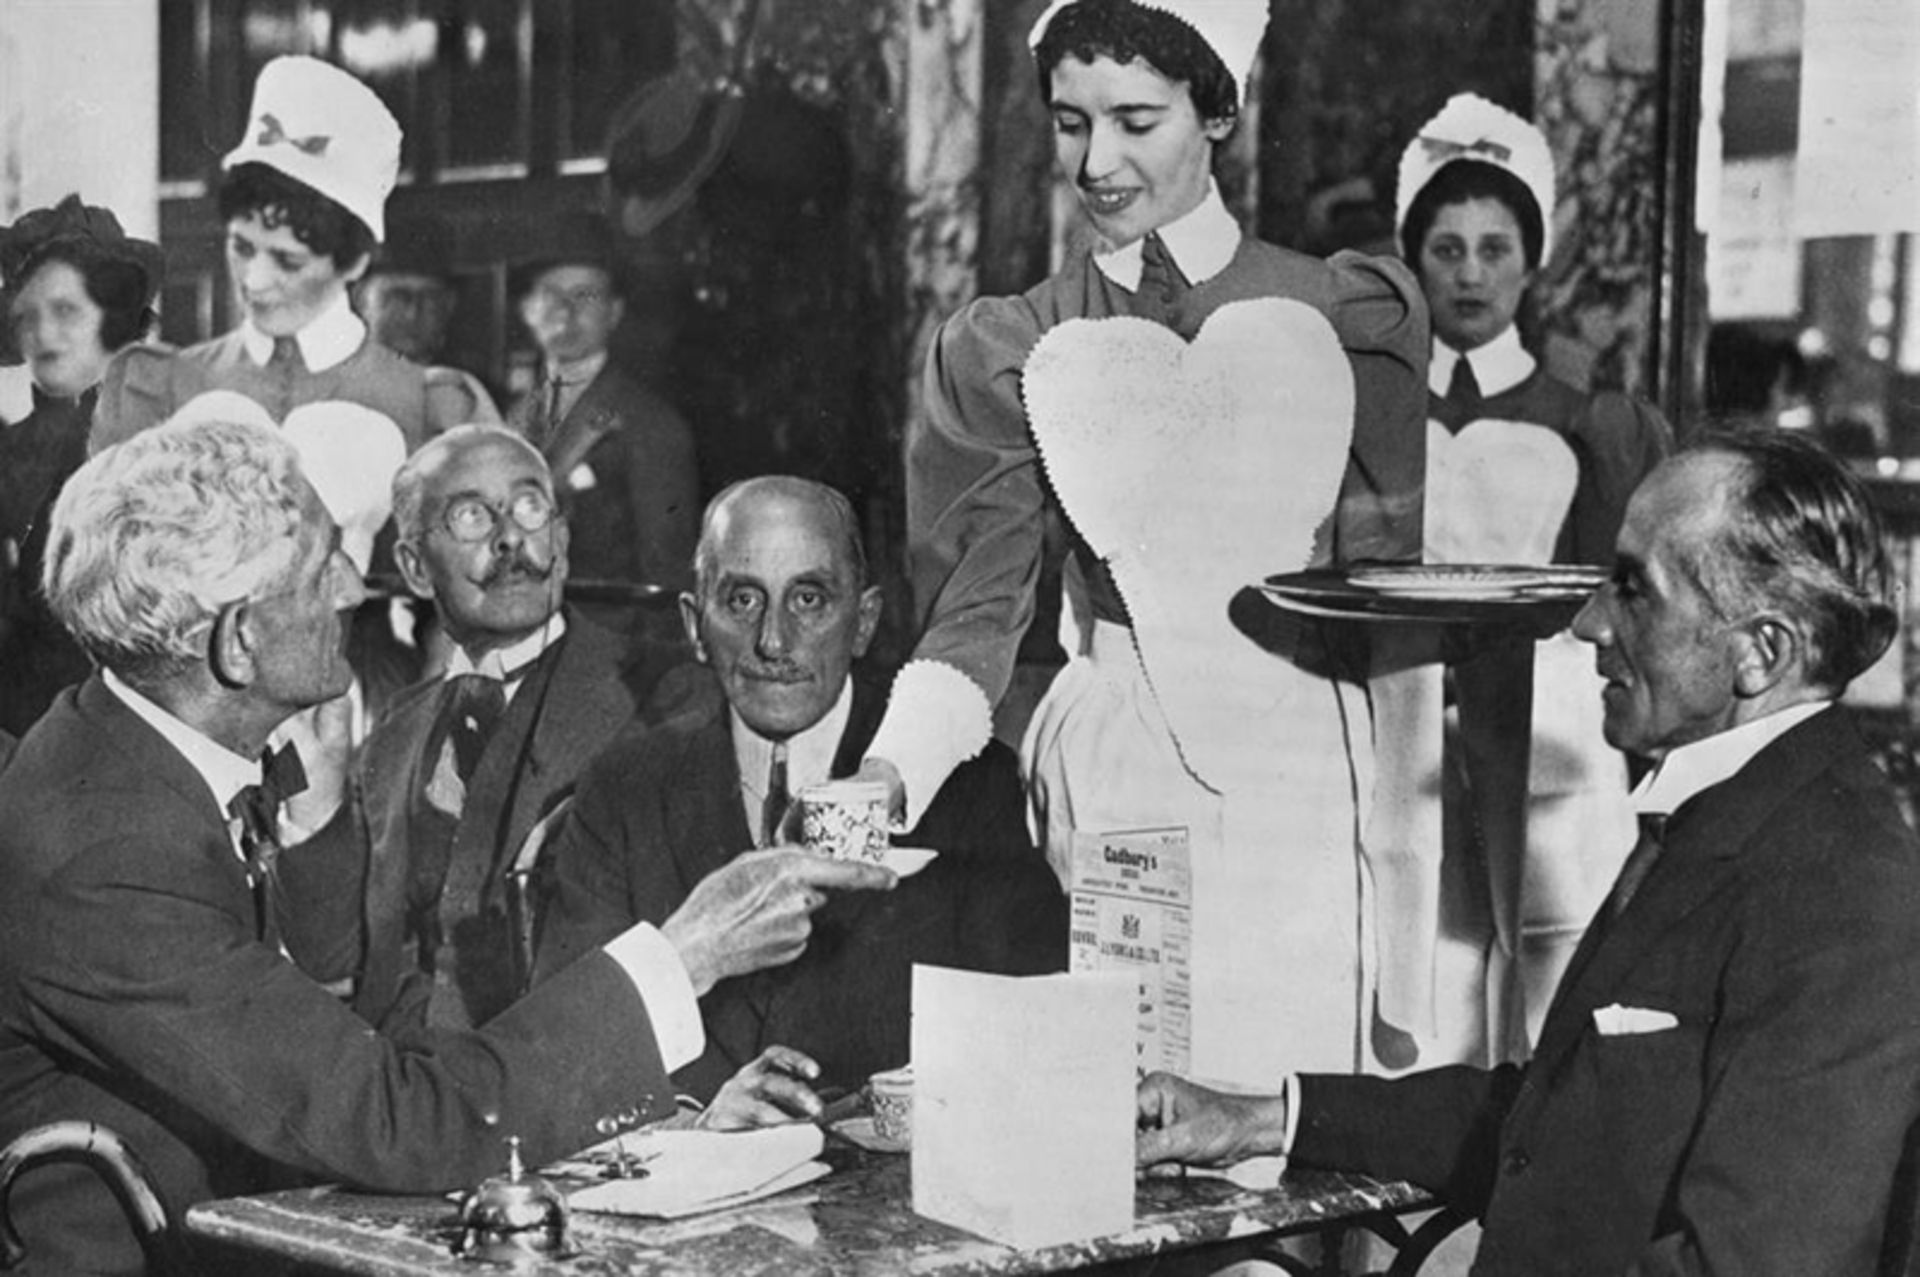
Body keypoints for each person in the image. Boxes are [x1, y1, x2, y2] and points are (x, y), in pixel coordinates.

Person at [0, 414, 895, 1274]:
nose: (353, 592)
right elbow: (393, 1115)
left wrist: (668, 1124)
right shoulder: (107, 852)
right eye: (321, 571)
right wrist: (684, 954)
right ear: (238, 642)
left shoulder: (127, 760)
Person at [1136, 430, 1920, 1276]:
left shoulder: (1846, 890)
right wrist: (1256, 1117)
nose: (1588, 624)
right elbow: (1556, 1115)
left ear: (1759, 653)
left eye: (1633, 590)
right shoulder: (1731, 808)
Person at [857, 0, 1431, 1086]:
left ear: (1216, 112)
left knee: (1297, 1112)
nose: (1097, 161)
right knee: (1144, 1102)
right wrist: (892, 772)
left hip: (1302, 762)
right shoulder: (1017, 339)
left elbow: (1383, 578)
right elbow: (982, 598)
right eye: (1071, 124)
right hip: (1121, 759)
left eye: (1136, 120)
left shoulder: (1340, 311)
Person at [535, 477, 1068, 1102]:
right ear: (693, 625)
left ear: (864, 621)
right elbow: (567, 1041)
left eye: (810, 599)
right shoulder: (623, 789)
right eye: (741, 601)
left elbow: (1038, 1030)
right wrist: (689, 1121)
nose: (774, 641)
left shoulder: (970, 786)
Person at [1393, 93, 1675, 1059]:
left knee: (1551, 962)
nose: (1471, 274)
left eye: (1495, 248)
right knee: (1419, 950)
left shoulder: (1588, 419)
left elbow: (1629, 594)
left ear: (1531, 258)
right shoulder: (1372, 413)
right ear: (1413, 257)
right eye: (1447, 248)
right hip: (1410, 714)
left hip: (1553, 721)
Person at [287, 424, 685, 1030]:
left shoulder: (658, 699)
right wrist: (318, 814)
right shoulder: (396, 730)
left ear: (561, 538)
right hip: (401, 1077)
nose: (509, 539)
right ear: (416, 568)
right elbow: (336, 958)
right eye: (472, 516)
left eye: (529, 507)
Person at [91, 55, 471, 453]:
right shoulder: (160, 389)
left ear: (355, 263)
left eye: (288, 261)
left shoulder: (431, 406)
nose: (254, 280)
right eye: (241, 247)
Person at [0, 195, 162, 734]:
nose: (43, 335)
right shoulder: (14, 448)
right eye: (26, 316)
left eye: (66, 311)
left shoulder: (159, 442)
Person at [505, 210, 699, 643]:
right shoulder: (508, 419)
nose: (565, 311)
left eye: (585, 295)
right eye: (551, 294)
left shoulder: (650, 424)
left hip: (609, 658)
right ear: (526, 309)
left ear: (614, 312)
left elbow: (664, 578)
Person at [353, 215, 502, 423]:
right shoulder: (329, 390)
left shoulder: (475, 399)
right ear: (361, 300)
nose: (412, 313)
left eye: (429, 298)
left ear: (449, 304)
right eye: (397, 297)